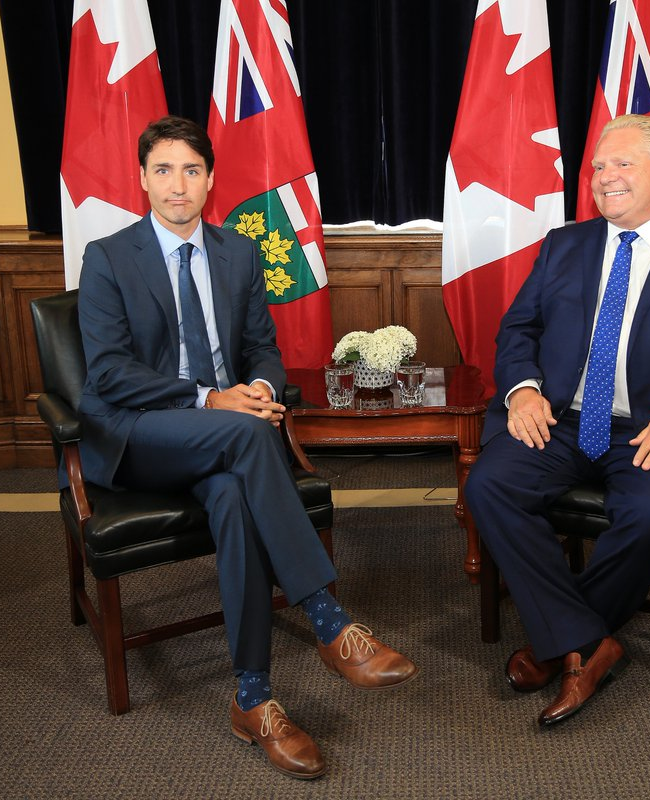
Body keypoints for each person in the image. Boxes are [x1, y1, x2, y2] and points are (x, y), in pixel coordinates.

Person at [75, 115, 416, 779]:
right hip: (139, 433)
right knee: (246, 431)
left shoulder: (237, 252)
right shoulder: (109, 257)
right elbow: (109, 374)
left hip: (222, 442)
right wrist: (211, 398)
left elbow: (262, 345)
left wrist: (259, 386)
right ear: (142, 179)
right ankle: (327, 618)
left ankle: (253, 700)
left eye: (191, 170)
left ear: (210, 180)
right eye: (164, 170)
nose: (178, 185)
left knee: (233, 495)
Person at [464, 115, 650, 727]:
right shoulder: (565, 244)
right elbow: (519, 328)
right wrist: (523, 391)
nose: (605, 177)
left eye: (621, 164)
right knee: (489, 486)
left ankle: (559, 640)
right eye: (598, 167)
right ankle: (585, 643)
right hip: (561, 419)